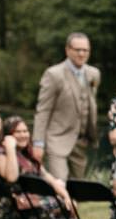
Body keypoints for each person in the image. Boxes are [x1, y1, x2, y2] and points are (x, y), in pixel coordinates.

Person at [0, 116, 78, 219]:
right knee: (64, 208)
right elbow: (11, 177)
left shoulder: (27, 155)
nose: (23, 135)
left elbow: (48, 177)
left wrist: (65, 195)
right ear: (7, 136)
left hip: (27, 206)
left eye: (25, 131)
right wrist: (10, 148)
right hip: (10, 211)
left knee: (67, 204)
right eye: (17, 132)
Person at [35, 31, 103, 180]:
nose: (81, 54)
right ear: (67, 50)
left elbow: (89, 103)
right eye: (77, 50)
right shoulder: (53, 74)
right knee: (60, 184)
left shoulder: (94, 74)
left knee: (78, 187)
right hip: (57, 140)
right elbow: (43, 110)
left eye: (85, 50)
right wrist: (38, 143)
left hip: (81, 142)